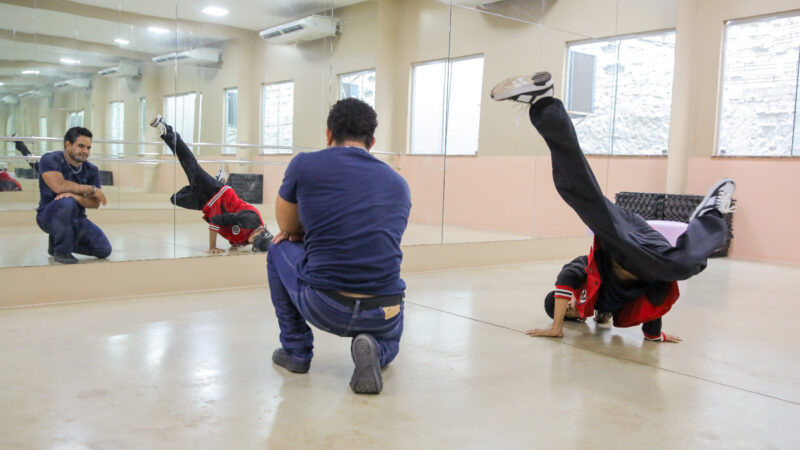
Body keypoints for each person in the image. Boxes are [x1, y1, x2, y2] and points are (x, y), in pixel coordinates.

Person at [490, 71, 736, 343]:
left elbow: (564, 282)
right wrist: (655, 336)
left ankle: (544, 104)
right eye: (571, 314)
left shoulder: (579, 274)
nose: (571, 308)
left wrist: (556, 327)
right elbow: (650, 299)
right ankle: (711, 212)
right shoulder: (603, 307)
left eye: (567, 307)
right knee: (684, 266)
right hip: (646, 255)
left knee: (575, 191)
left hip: (621, 239)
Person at [267, 98, 411, 394]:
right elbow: (375, 237)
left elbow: (286, 228)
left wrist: (305, 234)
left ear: (328, 134)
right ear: (372, 141)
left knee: (276, 248)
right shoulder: (398, 183)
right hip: (386, 309)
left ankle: (296, 351)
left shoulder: (304, 165)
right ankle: (375, 348)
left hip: (327, 305)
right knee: (392, 340)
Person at [150, 115, 272, 253]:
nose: (251, 242)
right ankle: (167, 130)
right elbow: (217, 219)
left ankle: (214, 180)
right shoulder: (251, 220)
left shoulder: (249, 239)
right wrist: (212, 246)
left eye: (254, 244)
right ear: (260, 231)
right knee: (189, 163)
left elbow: (233, 235)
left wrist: (236, 244)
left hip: (209, 203)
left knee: (175, 199)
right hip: (217, 194)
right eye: (255, 240)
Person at [36, 127, 111, 264]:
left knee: (104, 250)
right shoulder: (50, 160)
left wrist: (75, 195)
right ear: (68, 145)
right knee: (66, 202)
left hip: (77, 219)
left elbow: (95, 203)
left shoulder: (92, 169)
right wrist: (90, 189)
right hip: (48, 216)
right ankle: (62, 251)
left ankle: (56, 243)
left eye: (88, 148)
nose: (85, 151)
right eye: (81, 146)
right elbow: (59, 186)